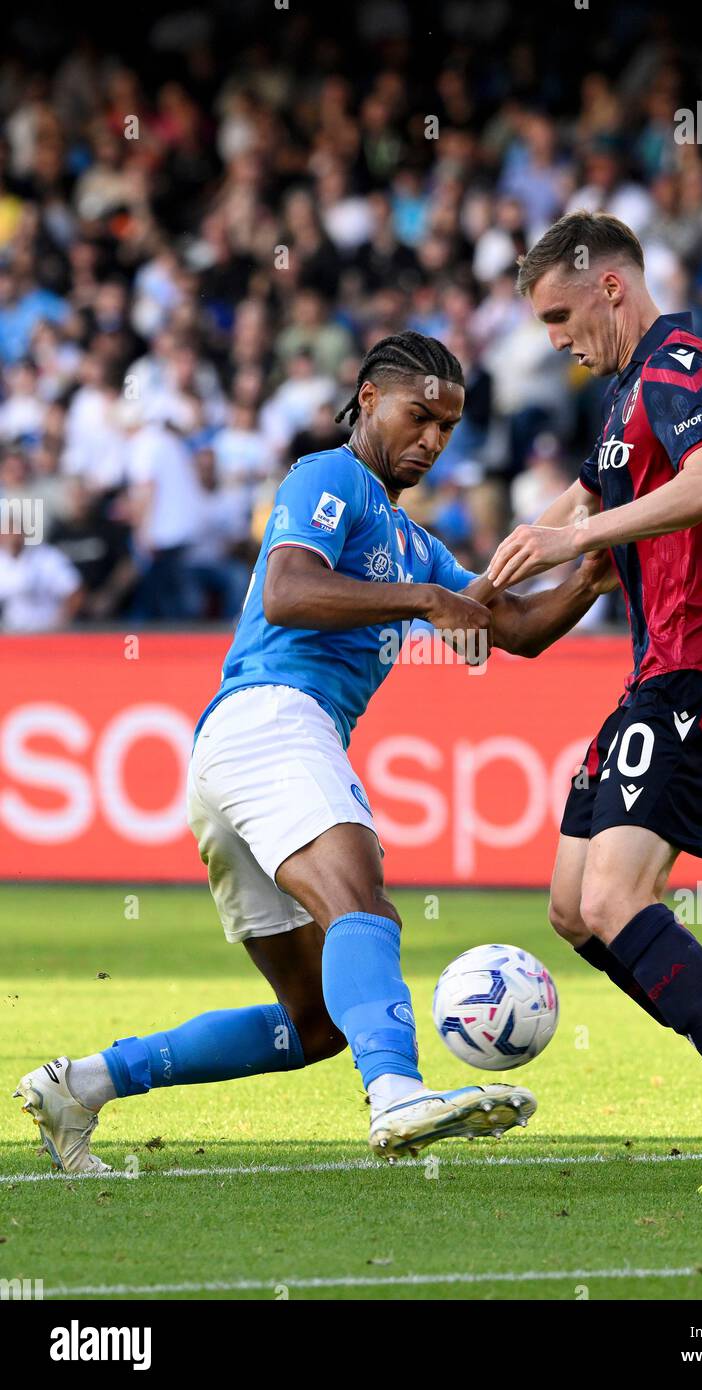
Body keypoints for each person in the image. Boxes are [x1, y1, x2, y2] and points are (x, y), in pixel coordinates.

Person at [16, 331, 615, 1173]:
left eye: (448, 427)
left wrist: (590, 576)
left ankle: (81, 1084)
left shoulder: (411, 541)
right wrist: (429, 599)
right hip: (272, 721)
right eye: (420, 416)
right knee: (363, 904)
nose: (434, 440)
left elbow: (505, 628)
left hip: (241, 757)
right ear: (368, 399)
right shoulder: (329, 475)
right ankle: (399, 1096)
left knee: (316, 1023)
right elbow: (289, 592)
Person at [487, 212, 702, 1195]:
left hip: (700, 662)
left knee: (612, 896)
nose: (553, 340)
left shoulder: (677, 360)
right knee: (571, 909)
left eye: (558, 315)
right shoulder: (624, 393)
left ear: (608, 286)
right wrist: (480, 574)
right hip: (654, 669)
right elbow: (581, 507)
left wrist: (558, 545)